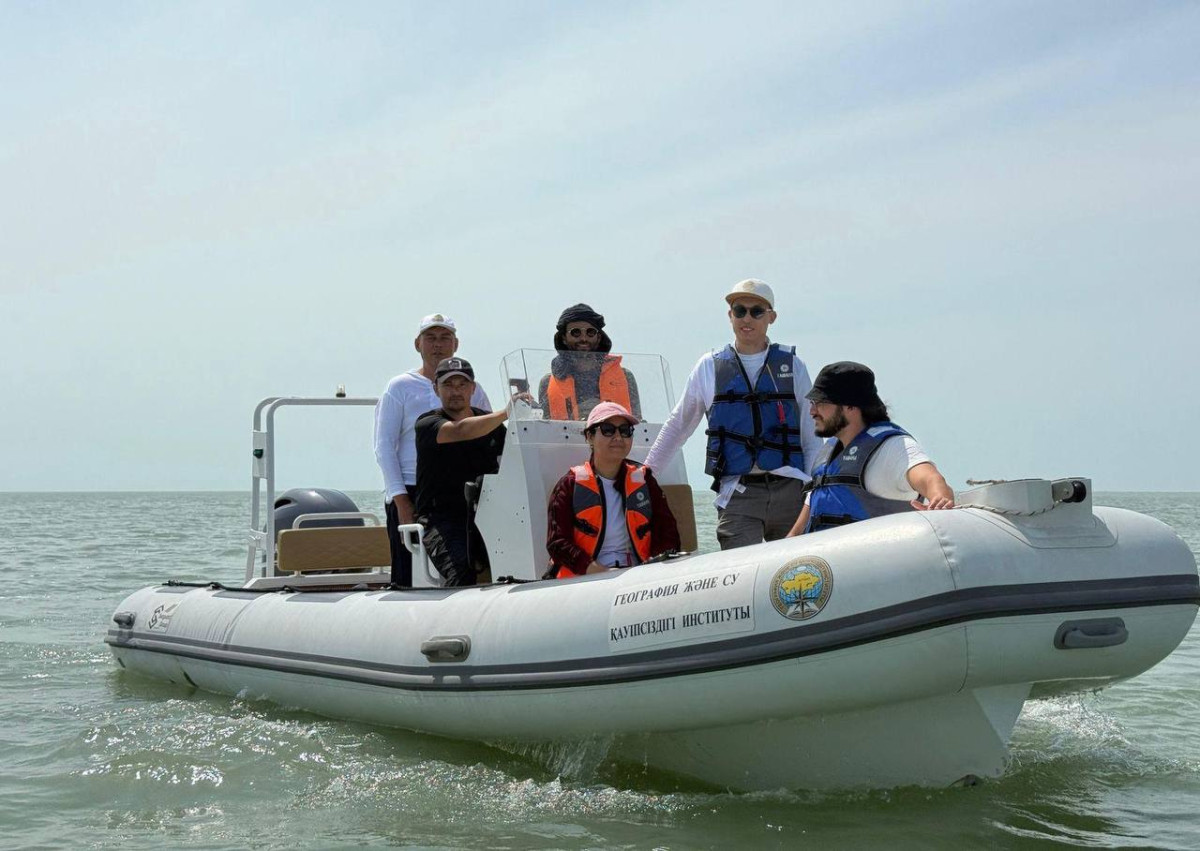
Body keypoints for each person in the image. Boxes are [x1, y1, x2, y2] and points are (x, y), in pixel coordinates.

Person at [644, 279, 823, 550]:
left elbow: (812, 433)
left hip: (791, 489)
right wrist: (646, 474)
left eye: (756, 311)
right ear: (730, 316)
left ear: (771, 317)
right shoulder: (708, 367)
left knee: (795, 569)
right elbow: (679, 425)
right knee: (740, 570)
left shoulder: (793, 366)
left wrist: (812, 489)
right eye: (740, 311)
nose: (747, 318)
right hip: (738, 493)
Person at [374, 314, 490, 586]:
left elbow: (485, 434)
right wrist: (401, 501)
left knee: (470, 563)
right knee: (408, 572)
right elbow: (384, 447)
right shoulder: (399, 387)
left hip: (459, 493)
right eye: (431, 338)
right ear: (418, 344)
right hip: (412, 490)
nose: (438, 344)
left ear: (456, 344)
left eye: (445, 338)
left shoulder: (475, 390)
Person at [786, 361, 954, 535]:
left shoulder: (893, 447)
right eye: (812, 402)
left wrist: (940, 499)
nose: (812, 411)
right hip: (826, 552)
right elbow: (800, 528)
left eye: (821, 402)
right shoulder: (828, 455)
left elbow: (931, 479)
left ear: (850, 406)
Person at [546, 402, 680, 578]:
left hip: (638, 577)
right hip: (587, 579)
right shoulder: (569, 485)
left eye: (625, 430)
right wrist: (598, 571)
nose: (618, 437)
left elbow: (668, 534)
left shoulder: (645, 481)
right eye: (608, 430)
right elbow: (557, 543)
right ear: (589, 437)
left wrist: (652, 569)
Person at [414, 357, 514, 587]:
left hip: (487, 515)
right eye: (448, 385)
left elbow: (512, 461)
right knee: (461, 572)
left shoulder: (493, 426)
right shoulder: (427, 423)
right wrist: (506, 413)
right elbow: (460, 430)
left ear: (473, 388)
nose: (456, 391)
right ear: (436, 389)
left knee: (516, 562)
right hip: (441, 520)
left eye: (462, 384)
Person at [537, 303, 641, 421]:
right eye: (575, 332)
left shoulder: (626, 377)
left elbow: (639, 424)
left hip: (612, 434)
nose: (584, 338)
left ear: (599, 337)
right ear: (564, 338)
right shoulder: (547, 383)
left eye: (590, 332)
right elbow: (544, 427)